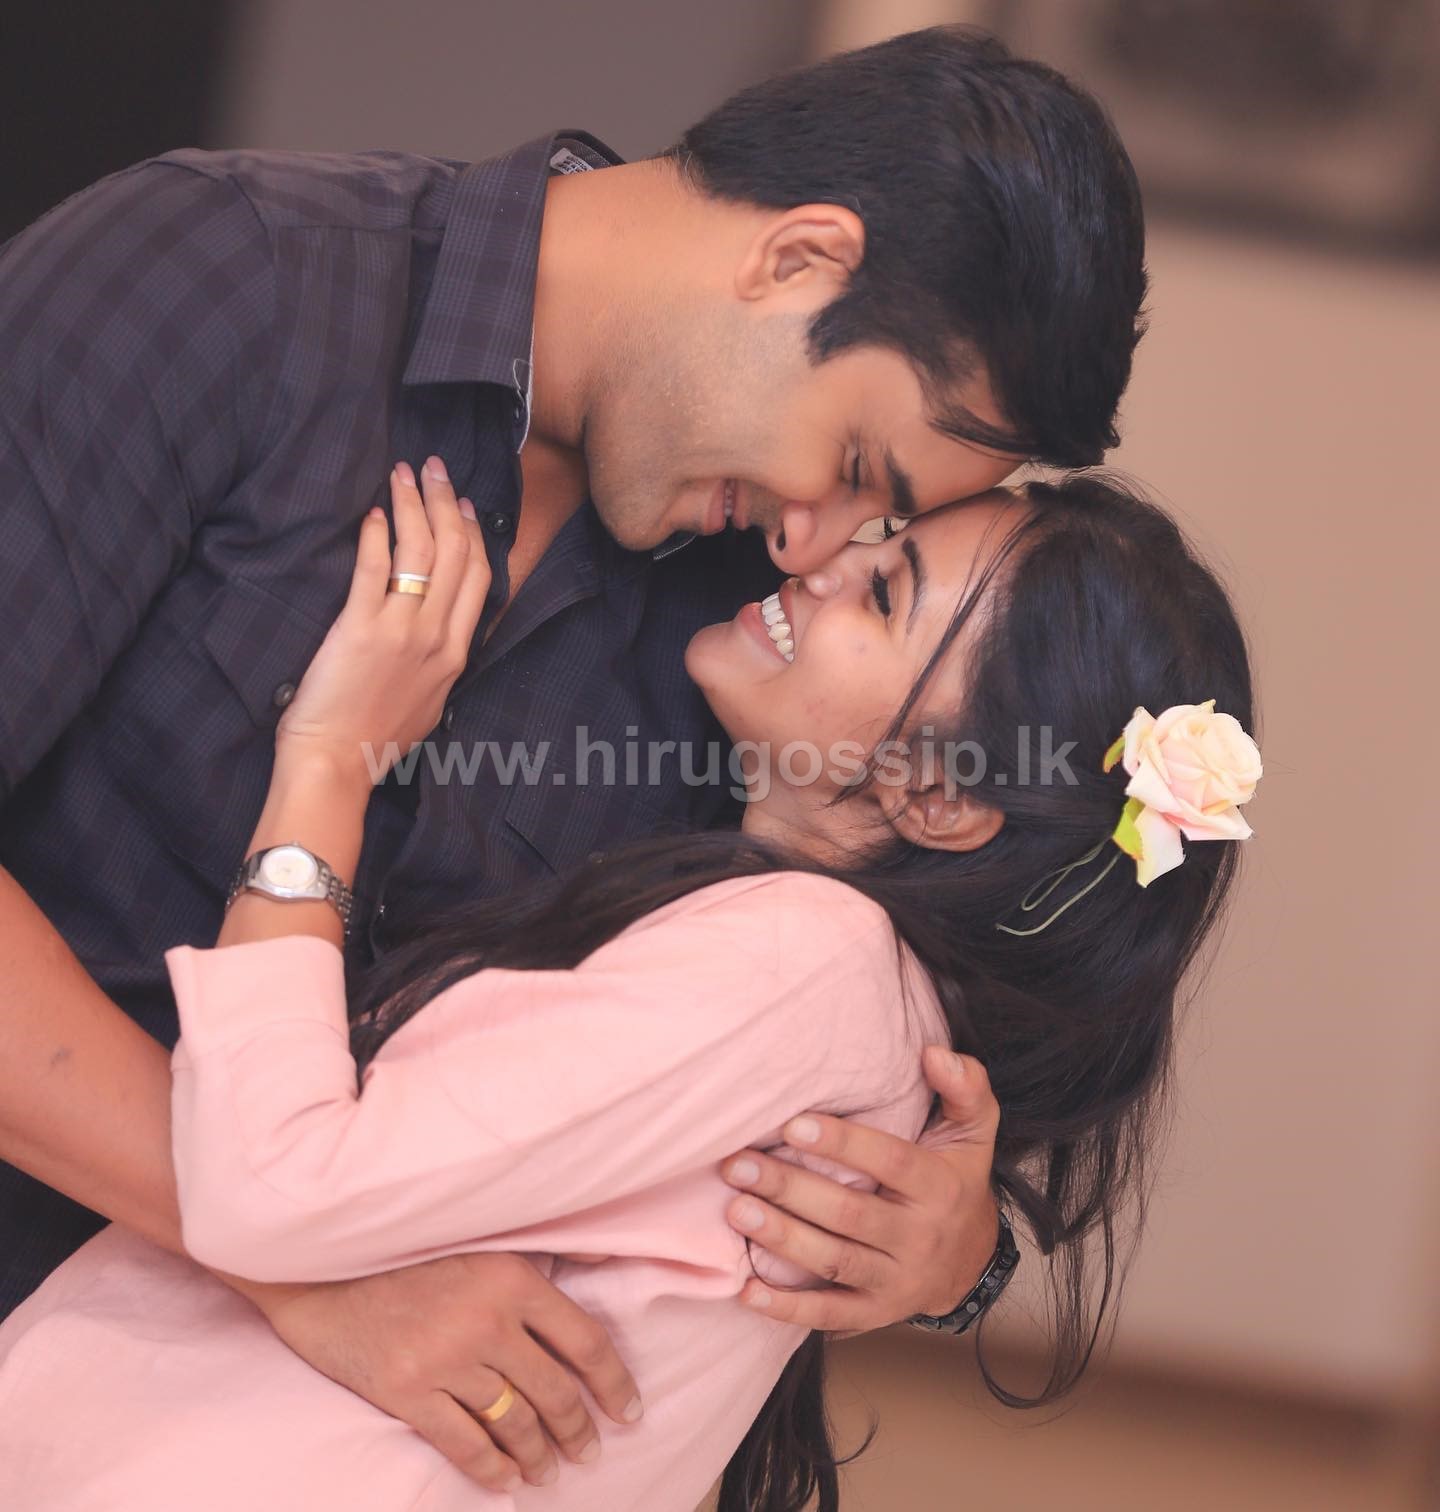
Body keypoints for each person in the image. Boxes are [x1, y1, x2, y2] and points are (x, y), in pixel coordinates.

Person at [0, 25, 1147, 1487]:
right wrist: (302, 1259)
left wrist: (945, 1253)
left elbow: (762, 1058)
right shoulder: (225, 281)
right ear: (798, 257)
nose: (810, 540)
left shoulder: (749, 644)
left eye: (878, 529)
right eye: (856, 466)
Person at [0, 463, 1260, 1512]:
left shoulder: (808, 961)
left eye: (884, 592)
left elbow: (271, 1186)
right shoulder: (830, 971)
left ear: (935, 797)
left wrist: (325, 762)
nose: (826, 557)